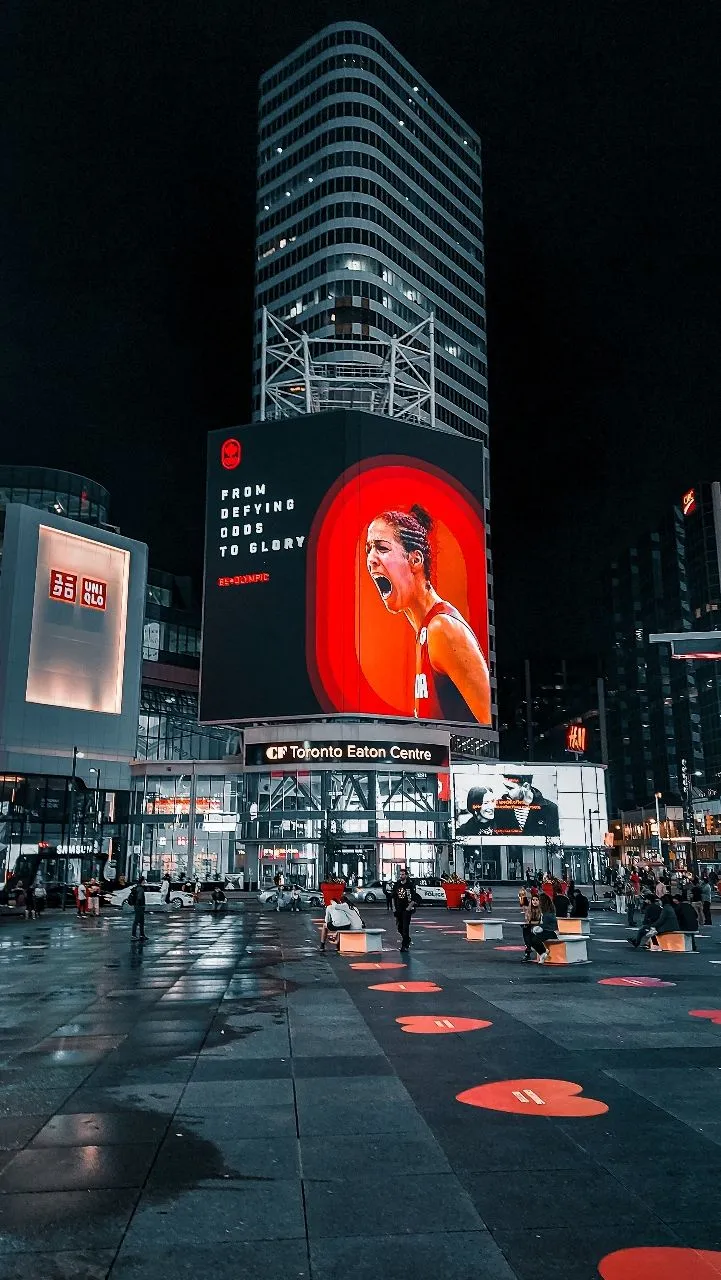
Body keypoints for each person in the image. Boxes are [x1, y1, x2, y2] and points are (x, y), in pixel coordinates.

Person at [365, 505, 491, 723]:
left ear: (415, 560)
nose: (371, 559)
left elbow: (490, 726)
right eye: (368, 549)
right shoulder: (425, 630)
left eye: (382, 548)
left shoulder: (442, 628)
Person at [392, 867, 420, 953]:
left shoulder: (410, 885)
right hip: (398, 909)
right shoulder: (397, 884)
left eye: (403, 874)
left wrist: (409, 907)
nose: (401, 876)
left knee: (405, 928)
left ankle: (404, 945)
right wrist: (393, 907)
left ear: (406, 875)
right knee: (399, 927)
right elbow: (393, 896)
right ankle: (407, 939)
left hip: (407, 909)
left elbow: (414, 898)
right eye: (400, 874)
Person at [522, 892, 543, 962]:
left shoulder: (541, 910)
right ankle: (528, 949)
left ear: (539, 901)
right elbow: (528, 921)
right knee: (525, 929)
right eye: (533, 900)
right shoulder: (529, 910)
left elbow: (540, 922)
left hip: (540, 928)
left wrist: (531, 923)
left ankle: (527, 951)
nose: (535, 901)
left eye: (536, 900)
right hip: (531, 927)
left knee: (529, 932)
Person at [130, 876, 147, 941]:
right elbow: (140, 898)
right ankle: (134, 935)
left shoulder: (137, 887)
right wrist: (141, 905)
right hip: (139, 906)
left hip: (137, 906)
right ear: (142, 881)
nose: (145, 881)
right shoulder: (140, 888)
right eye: (144, 880)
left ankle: (142, 935)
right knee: (137, 921)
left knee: (141, 921)